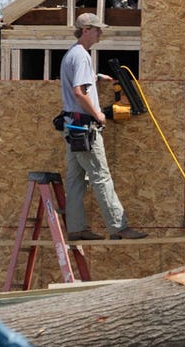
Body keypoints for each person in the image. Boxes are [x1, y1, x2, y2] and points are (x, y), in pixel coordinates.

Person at [58, 13, 147, 240]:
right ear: (86, 30)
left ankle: (76, 229)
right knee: (101, 177)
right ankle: (119, 227)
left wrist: (96, 77)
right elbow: (79, 91)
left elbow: (78, 82)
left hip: (72, 127)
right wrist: (97, 113)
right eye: (97, 29)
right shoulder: (81, 56)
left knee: (76, 179)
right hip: (85, 127)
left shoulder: (72, 54)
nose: (101, 33)